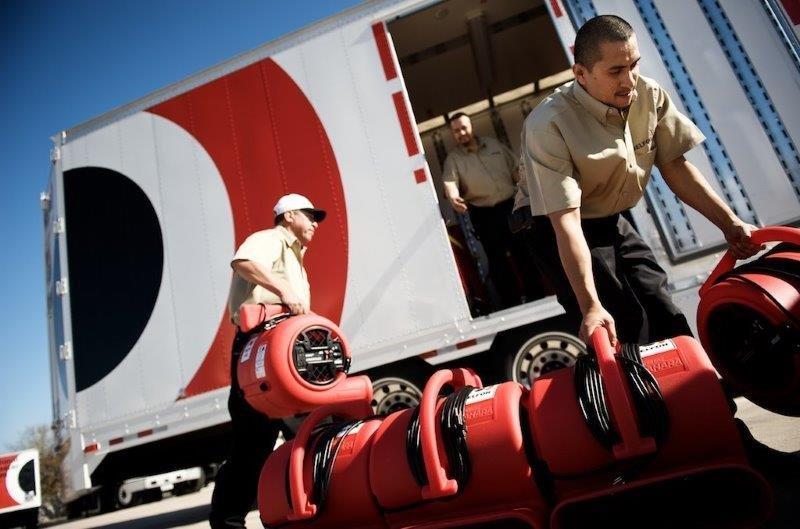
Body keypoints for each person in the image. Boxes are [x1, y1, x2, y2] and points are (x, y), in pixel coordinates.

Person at [522, 15, 762, 346]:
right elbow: (566, 222)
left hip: (607, 213)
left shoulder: (649, 96)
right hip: (552, 223)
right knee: (618, 316)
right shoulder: (548, 124)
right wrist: (591, 307)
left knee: (660, 301)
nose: (629, 80)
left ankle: (695, 389)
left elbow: (675, 167)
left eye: (633, 65)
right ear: (581, 74)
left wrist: (730, 223)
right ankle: (641, 395)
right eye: (615, 71)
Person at [209, 193, 326, 529]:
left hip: (285, 349)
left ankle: (299, 512)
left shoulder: (296, 259)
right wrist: (284, 290)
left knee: (310, 431)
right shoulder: (270, 239)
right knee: (252, 445)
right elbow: (243, 262)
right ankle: (228, 522)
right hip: (260, 349)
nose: (315, 222)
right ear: (288, 215)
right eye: (310, 214)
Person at [442, 112, 533, 308]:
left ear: (471, 127)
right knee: (497, 259)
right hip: (484, 215)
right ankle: (512, 303)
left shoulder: (494, 145)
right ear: (452, 135)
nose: (461, 133)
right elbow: (450, 183)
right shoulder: (453, 159)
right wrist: (453, 197)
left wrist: (530, 192)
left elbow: (516, 170)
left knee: (523, 252)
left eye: (464, 128)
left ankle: (537, 295)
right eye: (456, 131)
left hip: (511, 207)